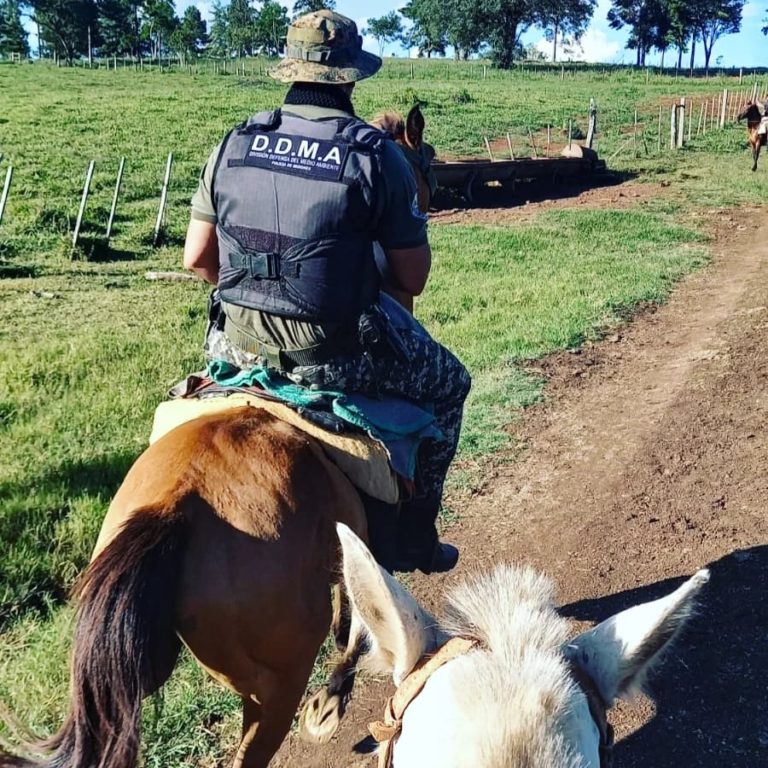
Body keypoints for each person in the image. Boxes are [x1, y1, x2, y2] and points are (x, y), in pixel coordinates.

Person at [182, 10, 470, 574]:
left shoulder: (236, 141)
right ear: (351, 77)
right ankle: (414, 536)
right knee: (450, 385)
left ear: (290, 69)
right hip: (333, 358)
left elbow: (196, 258)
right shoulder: (375, 154)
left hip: (235, 348)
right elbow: (411, 280)